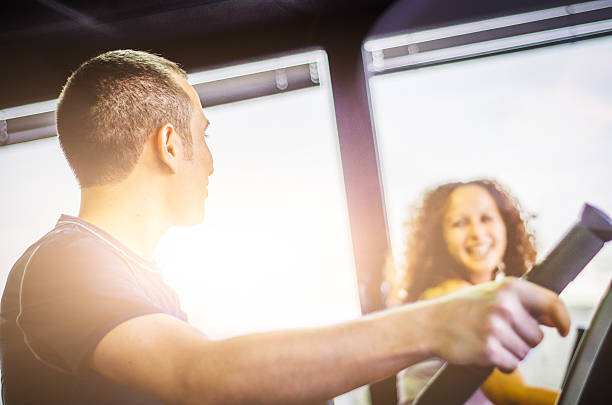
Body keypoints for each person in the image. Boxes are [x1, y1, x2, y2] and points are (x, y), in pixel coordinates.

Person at [0, 50, 570, 405]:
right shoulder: (65, 263)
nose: (212, 161)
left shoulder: (134, 279)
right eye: (203, 135)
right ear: (170, 146)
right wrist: (439, 323)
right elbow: (200, 377)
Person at [386, 179, 561, 405]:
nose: (477, 232)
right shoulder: (451, 296)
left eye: (486, 218)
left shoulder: (476, 295)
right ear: (440, 238)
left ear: (505, 226)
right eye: (460, 223)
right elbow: (514, 396)